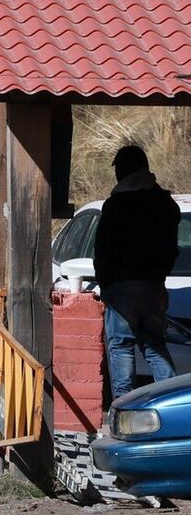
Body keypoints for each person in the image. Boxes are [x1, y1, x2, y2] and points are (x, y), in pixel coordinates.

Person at [93, 145, 181, 399]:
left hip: (121, 289)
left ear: (122, 171)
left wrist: (105, 284)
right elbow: (170, 249)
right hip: (153, 286)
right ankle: (172, 402)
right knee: (154, 346)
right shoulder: (164, 203)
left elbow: (104, 249)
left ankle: (123, 405)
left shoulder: (116, 206)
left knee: (121, 346)